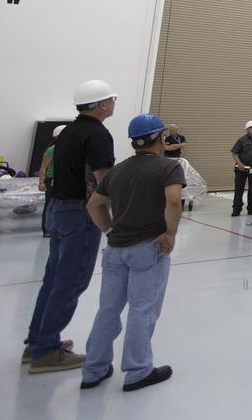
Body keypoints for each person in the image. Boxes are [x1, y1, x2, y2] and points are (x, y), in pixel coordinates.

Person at [81, 114, 183, 392]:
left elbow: (95, 205)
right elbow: (174, 200)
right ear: (161, 137)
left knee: (108, 310)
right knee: (143, 310)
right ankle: (138, 370)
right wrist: (170, 234)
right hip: (147, 250)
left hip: (115, 250)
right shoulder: (168, 168)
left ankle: (93, 369)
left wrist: (110, 231)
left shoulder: (117, 170)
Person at [23, 80, 117, 373]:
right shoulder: (97, 135)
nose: (114, 103)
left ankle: (37, 341)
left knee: (53, 278)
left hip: (59, 210)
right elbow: (103, 180)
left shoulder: (68, 133)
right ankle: (45, 351)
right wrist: (114, 218)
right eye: (111, 99)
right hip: (80, 214)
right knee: (71, 281)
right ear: (102, 104)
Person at [37, 125, 66, 238]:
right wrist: (41, 182)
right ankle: (47, 229)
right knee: (50, 204)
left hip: (63, 179)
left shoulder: (70, 149)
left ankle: (58, 227)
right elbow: (43, 167)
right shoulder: (52, 150)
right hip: (53, 179)